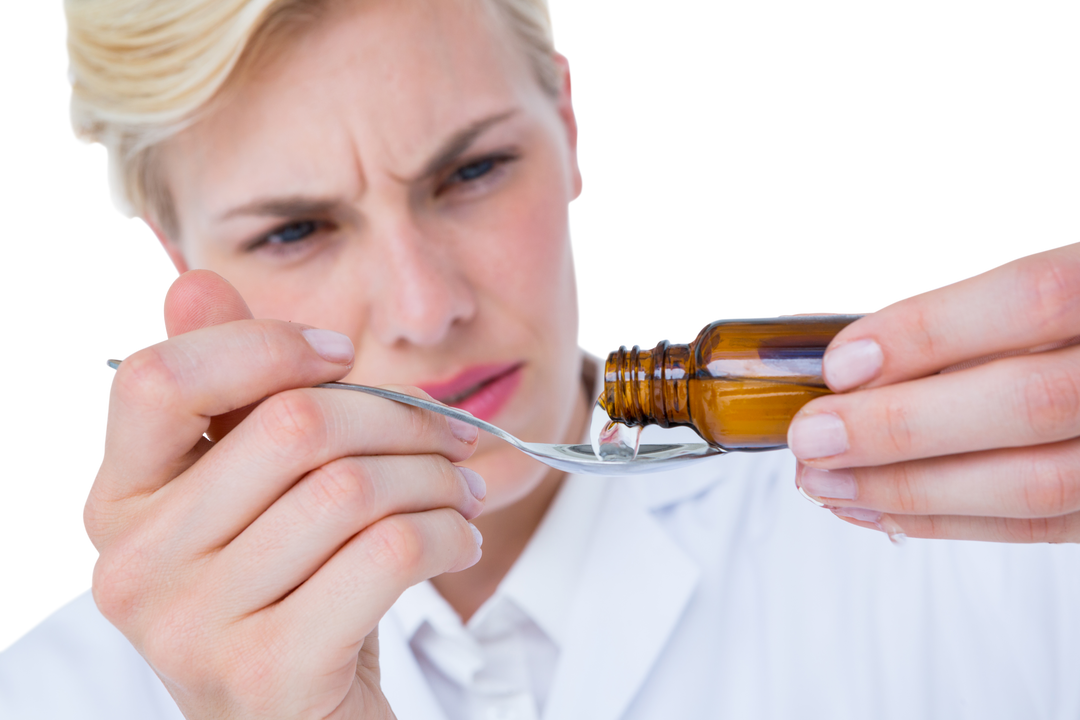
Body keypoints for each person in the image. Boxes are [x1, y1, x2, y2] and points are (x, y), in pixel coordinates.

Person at [2, 0, 1077, 717]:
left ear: (568, 125)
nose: (428, 312)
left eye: (471, 170)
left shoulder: (992, 540)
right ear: (183, 259)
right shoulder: (57, 695)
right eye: (297, 232)